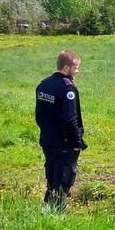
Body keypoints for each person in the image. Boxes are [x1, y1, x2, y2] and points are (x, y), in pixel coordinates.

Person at [35, 50, 87, 212]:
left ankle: (46, 213)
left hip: (48, 141)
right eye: (76, 68)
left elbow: (39, 116)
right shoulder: (68, 89)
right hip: (65, 145)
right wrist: (76, 143)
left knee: (51, 180)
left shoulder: (43, 84)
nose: (77, 71)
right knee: (63, 182)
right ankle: (57, 217)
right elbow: (70, 119)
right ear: (66, 68)